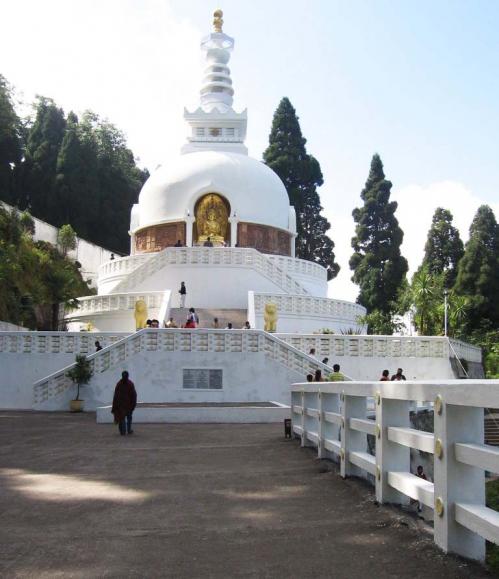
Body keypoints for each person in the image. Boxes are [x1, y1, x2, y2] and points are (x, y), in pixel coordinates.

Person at [111, 371, 137, 436]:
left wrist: (114, 406)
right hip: (127, 405)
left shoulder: (119, 384)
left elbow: (116, 396)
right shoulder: (130, 384)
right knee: (128, 418)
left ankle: (123, 431)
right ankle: (128, 430)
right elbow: (134, 395)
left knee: (122, 418)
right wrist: (133, 405)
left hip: (122, 405)